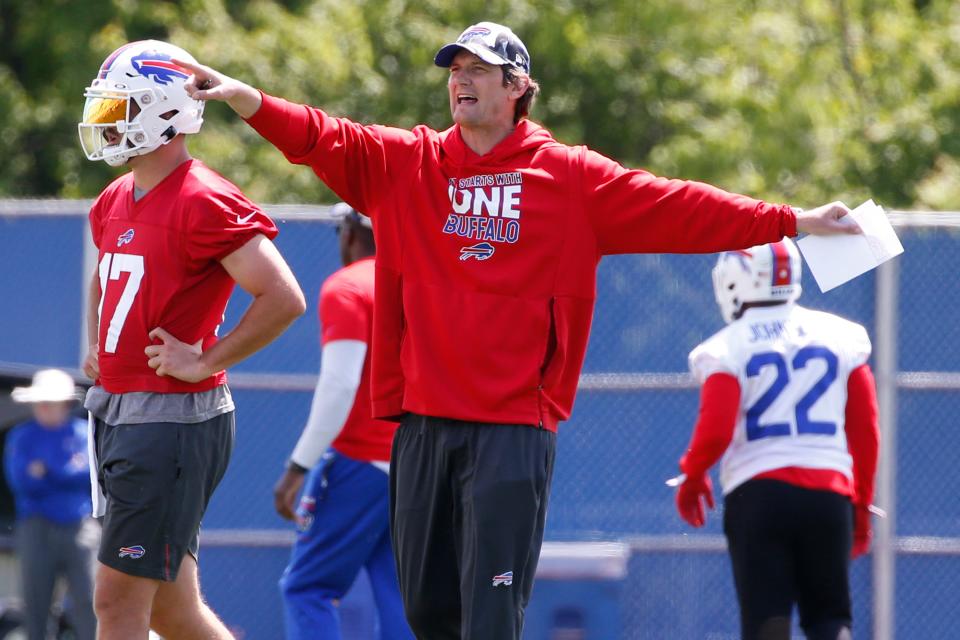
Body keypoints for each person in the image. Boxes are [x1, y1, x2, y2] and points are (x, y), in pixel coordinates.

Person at [174, 21, 859, 639]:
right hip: (419, 425)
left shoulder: (570, 178)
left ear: (517, 87)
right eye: (454, 70)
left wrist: (792, 220)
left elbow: (683, 206)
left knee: (492, 614)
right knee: (425, 610)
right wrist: (248, 100)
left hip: (510, 429)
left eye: (479, 69)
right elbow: (322, 134)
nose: (461, 80)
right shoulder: (405, 165)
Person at [77, 40, 306, 640]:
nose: (107, 123)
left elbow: (284, 297)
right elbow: (106, 274)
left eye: (119, 108)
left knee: (116, 602)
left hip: (170, 419)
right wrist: (98, 341)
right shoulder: (114, 198)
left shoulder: (204, 197)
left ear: (162, 111)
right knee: (171, 612)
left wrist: (206, 357)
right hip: (123, 411)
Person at [673, 238, 880, 640]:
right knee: (830, 619)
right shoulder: (841, 337)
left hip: (758, 494)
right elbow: (865, 429)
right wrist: (861, 499)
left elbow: (715, 429)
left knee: (767, 623)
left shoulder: (725, 347)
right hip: (828, 492)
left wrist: (693, 473)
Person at [272, 204, 412, 640]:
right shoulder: (422, 283)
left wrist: (297, 467)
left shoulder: (349, 287)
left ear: (350, 233)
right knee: (398, 592)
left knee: (306, 587)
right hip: (417, 463)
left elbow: (339, 386)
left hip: (360, 462)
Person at [5, 369, 98, 640]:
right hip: (36, 527)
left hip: (80, 528)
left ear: (64, 404)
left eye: (51, 401)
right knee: (36, 603)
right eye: (41, 402)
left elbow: (88, 478)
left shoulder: (82, 433)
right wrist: (64, 472)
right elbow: (20, 481)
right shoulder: (21, 436)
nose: (45, 408)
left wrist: (47, 471)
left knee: (88, 599)